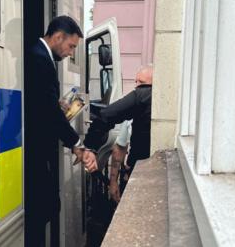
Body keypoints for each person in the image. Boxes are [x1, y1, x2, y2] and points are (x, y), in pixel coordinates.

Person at [24, 15, 97, 247]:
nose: (71, 52)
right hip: (35, 149)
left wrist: (54, 104)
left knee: (48, 206)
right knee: (45, 208)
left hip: (38, 145)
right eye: (71, 46)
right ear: (58, 37)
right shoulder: (39, 58)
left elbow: (40, 103)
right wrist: (77, 143)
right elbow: (47, 113)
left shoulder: (40, 56)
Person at [83, 66, 153, 194]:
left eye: (141, 83)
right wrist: (114, 182)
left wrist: (90, 146)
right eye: (136, 82)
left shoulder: (141, 97)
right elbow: (119, 149)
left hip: (140, 171)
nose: (137, 86)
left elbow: (106, 115)